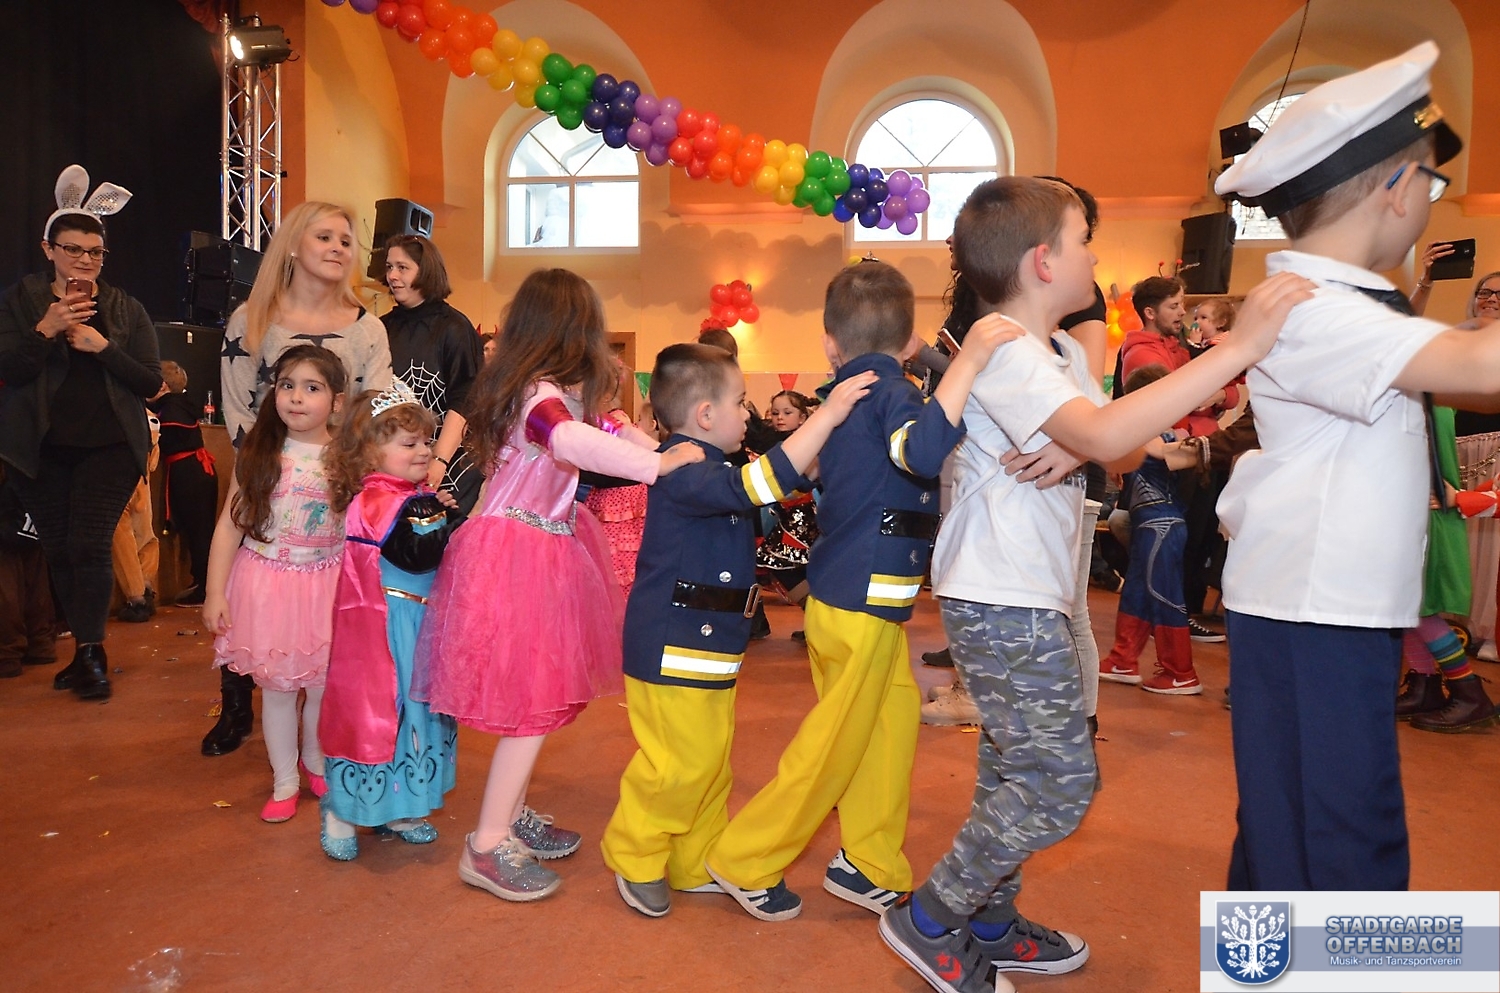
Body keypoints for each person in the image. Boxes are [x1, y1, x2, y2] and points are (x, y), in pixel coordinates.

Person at [878, 176, 1309, 993]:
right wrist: (1235, 350)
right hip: (999, 592)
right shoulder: (1007, 349)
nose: (1097, 259)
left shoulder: (1061, 353)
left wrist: (1085, 441)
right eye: (1086, 242)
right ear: (1044, 261)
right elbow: (1110, 432)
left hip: (1026, 588)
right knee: (1060, 781)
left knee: (1013, 767)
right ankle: (932, 914)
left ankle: (990, 919)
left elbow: (1116, 442)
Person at [1212, 40, 1498, 890]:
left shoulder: (1340, 305)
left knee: (1294, 824)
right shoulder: (1320, 310)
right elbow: (1483, 367)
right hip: (1315, 607)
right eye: (1432, 185)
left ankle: (1268, 956)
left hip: (1321, 601)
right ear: (1400, 188)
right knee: (1343, 834)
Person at [703, 260, 1023, 923]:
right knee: (836, 743)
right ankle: (746, 857)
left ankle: (867, 862)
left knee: (888, 725)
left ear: (829, 344)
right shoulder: (892, 394)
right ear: (907, 342)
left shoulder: (848, 395)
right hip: (860, 601)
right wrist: (965, 363)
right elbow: (919, 454)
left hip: (856, 600)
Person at [412, 269, 702, 903]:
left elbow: (611, 431)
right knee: (530, 703)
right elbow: (571, 439)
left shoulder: (559, 395)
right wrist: (659, 465)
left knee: (534, 698)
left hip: (543, 547)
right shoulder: (539, 397)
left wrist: (676, 451)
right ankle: (487, 844)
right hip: (515, 553)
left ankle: (509, 813)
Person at [600, 343, 875, 917]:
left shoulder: (713, 465)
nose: (748, 413)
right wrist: (826, 415)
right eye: (740, 401)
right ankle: (635, 853)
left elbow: (767, 484)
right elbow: (758, 485)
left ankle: (692, 860)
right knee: (680, 765)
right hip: (672, 646)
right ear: (705, 415)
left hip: (708, 646)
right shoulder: (684, 467)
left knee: (710, 763)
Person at [208, 200, 392, 757]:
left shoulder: (368, 329)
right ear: (293, 245)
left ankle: (320, 744)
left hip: (334, 485)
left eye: (346, 240)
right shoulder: (252, 320)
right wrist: (263, 470)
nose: (338, 248)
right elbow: (238, 405)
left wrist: (350, 471)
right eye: (325, 237)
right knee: (253, 602)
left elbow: (375, 412)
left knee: (322, 634)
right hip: (265, 477)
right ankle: (237, 705)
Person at [0, 165, 160, 701]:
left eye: (95, 252)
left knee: (89, 544)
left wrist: (103, 347)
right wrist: (45, 329)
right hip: (38, 451)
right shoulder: (19, 301)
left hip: (110, 447)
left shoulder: (125, 308)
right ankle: (82, 653)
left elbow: (150, 381)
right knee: (60, 549)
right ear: (49, 249)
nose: (85, 260)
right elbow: (10, 369)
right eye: (73, 249)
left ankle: (92, 654)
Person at [202, 345, 348, 823]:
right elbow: (230, 526)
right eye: (287, 386)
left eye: (312, 388)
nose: (297, 397)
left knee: (322, 687)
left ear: (337, 401)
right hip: (268, 586)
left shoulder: (347, 458)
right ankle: (285, 779)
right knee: (280, 690)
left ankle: (315, 760)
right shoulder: (259, 453)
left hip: (326, 587)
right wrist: (215, 591)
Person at [316, 384, 460, 860]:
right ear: (371, 451)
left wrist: (439, 512)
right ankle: (341, 811)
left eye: (426, 442)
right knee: (380, 716)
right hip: (387, 629)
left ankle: (398, 807)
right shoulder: (377, 501)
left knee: (414, 717)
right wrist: (449, 522)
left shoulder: (413, 497)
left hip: (419, 623)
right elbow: (416, 555)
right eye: (409, 443)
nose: (424, 451)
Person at [1098, 365, 1208, 694]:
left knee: (1164, 595)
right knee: (1139, 591)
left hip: (1160, 525)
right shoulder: (1163, 431)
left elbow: (1156, 451)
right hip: (1153, 524)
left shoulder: (1153, 433)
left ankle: (1180, 671)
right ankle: (1123, 659)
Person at [380, 234, 484, 510]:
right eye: (389, 267)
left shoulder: (454, 328)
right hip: (392, 462)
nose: (392, 275)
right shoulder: (381, 328)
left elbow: (466, 398)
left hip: (448, 462)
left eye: (402, 268)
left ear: (425, 271)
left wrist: (438, 460)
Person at [1117, 276, 1240, 439]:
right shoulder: (1143, 355)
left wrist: (1221, 395)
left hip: (1205, 441)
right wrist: (1215, 396)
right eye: (1174, 306)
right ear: (1150, 313)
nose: (1182, 311)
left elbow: (1231, 391)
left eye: (1181, 304)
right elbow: (1176, 408)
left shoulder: (1179, 346)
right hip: (1183, 446)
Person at [153, 361, 219, 606]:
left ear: (162, 385)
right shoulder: (182, 404)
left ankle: (204, 588)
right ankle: (203, 582)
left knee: (198, 532)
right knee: (200, 530)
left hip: (189, 473)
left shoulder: (170, 409)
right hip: (200, 469)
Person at [756, 390, 822, 608]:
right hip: (786, 514)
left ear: (802, 417)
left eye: (787, 412)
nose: (780, 418)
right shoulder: (776, 442)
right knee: (787, 564)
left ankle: (815, 610)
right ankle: (814, 611)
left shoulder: (802, 442)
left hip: (802, 514)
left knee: (784, 562)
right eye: (775, 413)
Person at [110, 405, 161, 622]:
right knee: (146, 535)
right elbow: (154, 461)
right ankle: (147, 586)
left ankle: (136, 599)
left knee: (122, 540)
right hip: (143, 478)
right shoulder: (150, 416)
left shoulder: (112, 408)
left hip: (116, 479)